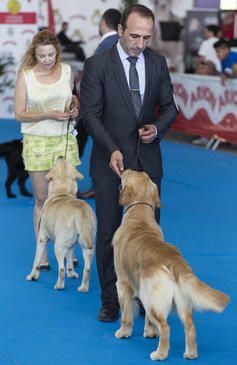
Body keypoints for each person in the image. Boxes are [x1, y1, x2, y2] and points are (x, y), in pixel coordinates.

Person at [80, 4, 178, 322]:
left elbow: (170, 107)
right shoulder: (97, 65)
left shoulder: (158, 63)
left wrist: (157, 129)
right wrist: (111, 149)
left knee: (148, 236)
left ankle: (143, 296)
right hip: (109, 162)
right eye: (134, 35)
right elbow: (89, 114)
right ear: (120, 30)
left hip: (148, 161)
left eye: (146, 37)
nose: (139, 43)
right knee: (109, 231)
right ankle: (111, 300)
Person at [14, 30, 80, 270]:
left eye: (51, 54)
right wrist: (49, 114)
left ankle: (69, 250)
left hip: (64, 139)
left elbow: (73, 97)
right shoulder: (26, 76)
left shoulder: (67, 72)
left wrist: (74, 106)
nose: (47, 59)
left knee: (68, 198)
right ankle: (42, 253)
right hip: (37, 141)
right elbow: (19, 113)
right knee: (42, 198)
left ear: (57, 52)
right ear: (35, 53)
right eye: (42, 55)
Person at [77, 8, 121, 199]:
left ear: (103, 22)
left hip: (98, 109)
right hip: (108, 109)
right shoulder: (117, 43)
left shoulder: (106, 46)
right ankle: (103, 186)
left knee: (100, 147)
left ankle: (102, 187)